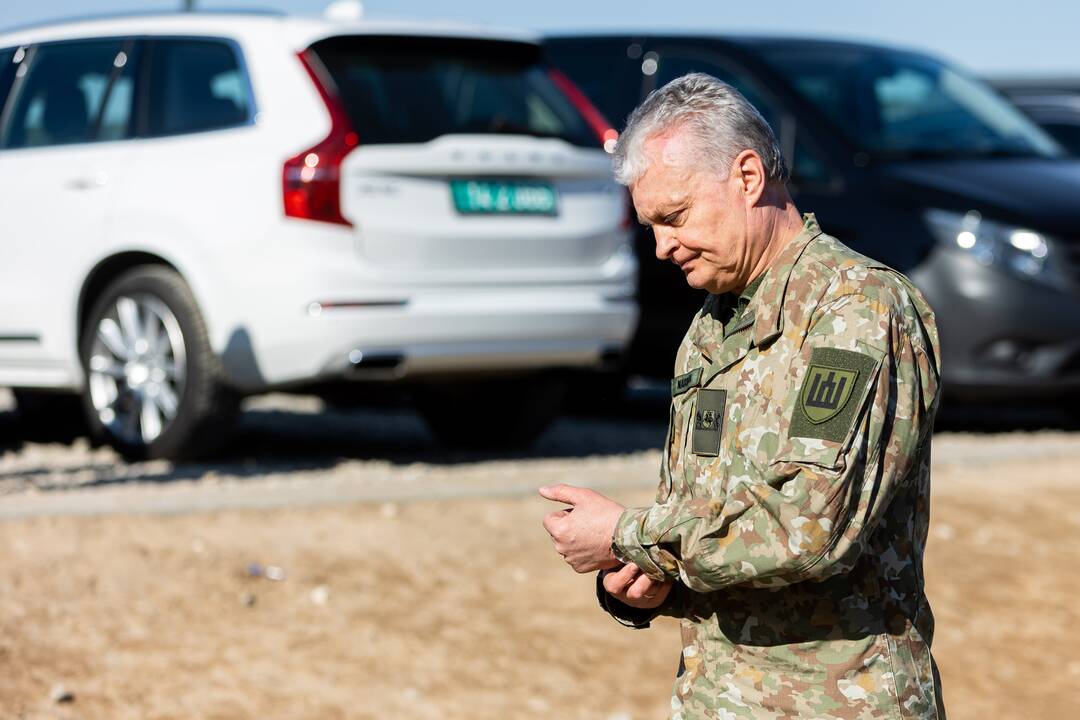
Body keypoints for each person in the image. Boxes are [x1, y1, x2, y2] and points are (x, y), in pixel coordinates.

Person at [540, 73, 946, 720]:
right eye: (649, 226)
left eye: (674, 217)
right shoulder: (713, 323)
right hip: (717, 696)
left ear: (748, 176)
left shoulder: (854, 311)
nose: (661, 246)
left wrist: (626, 534)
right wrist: (651, 586)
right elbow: (712, 517)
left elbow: (809, 528)